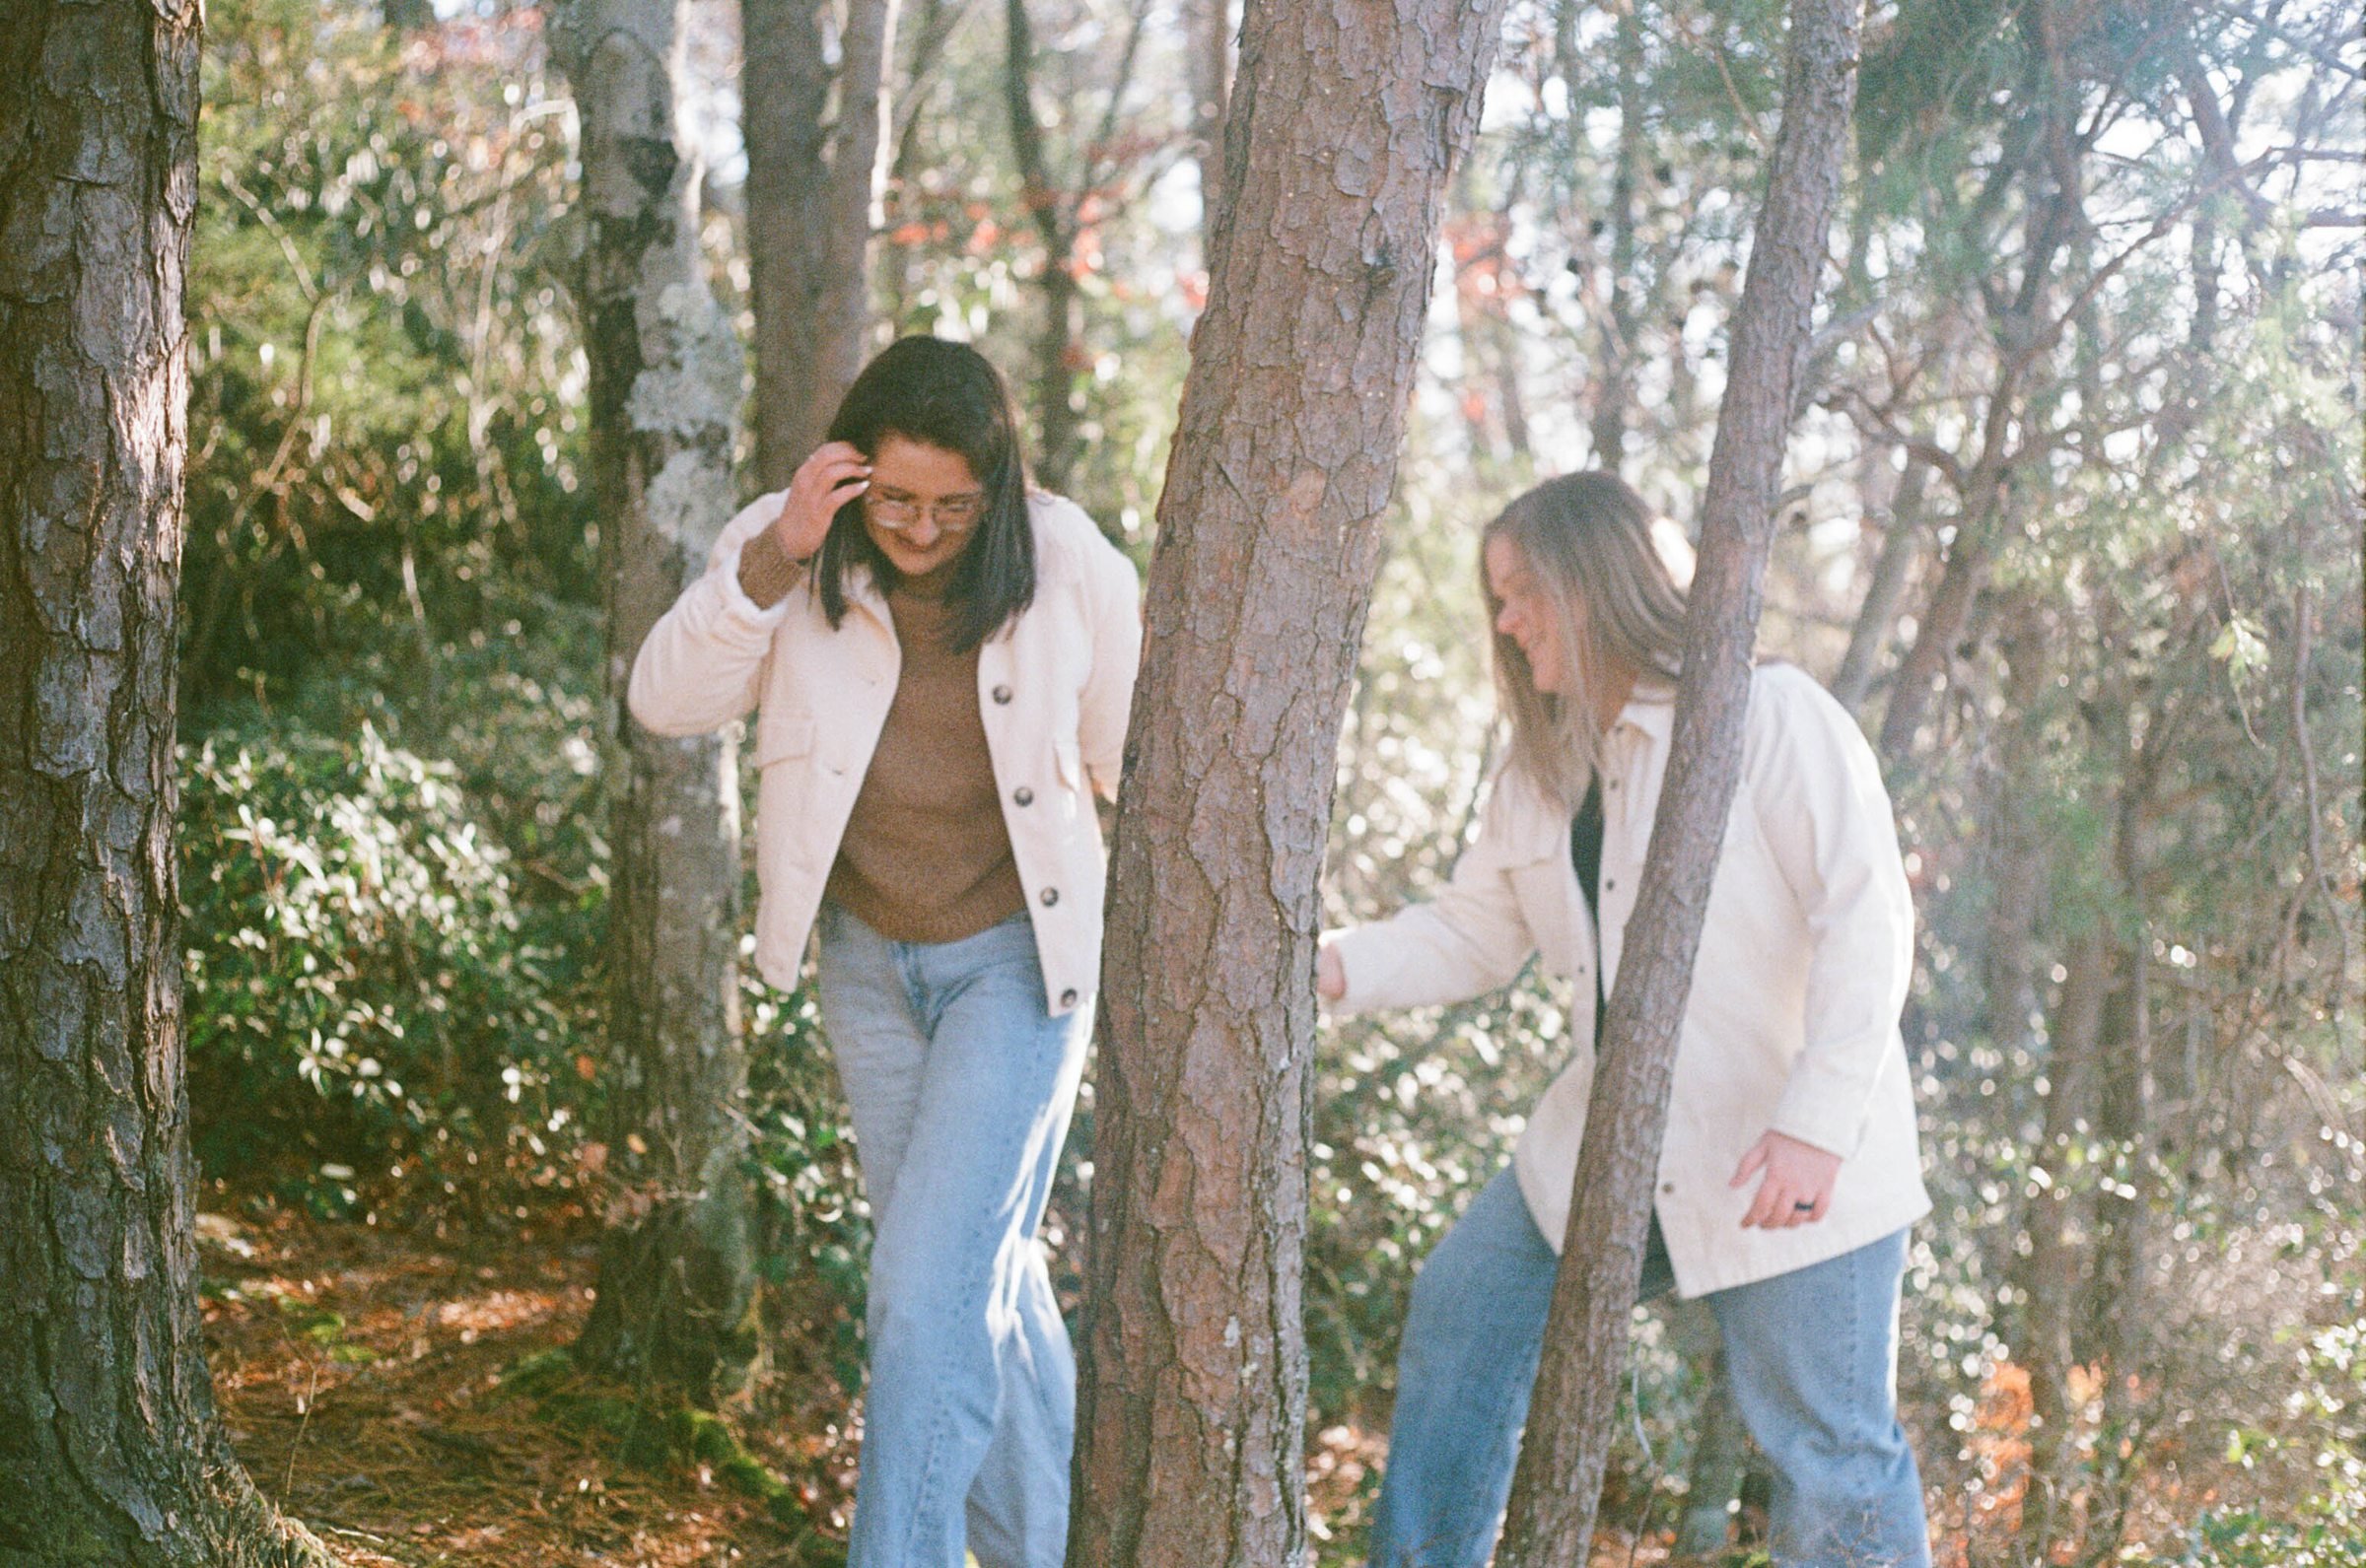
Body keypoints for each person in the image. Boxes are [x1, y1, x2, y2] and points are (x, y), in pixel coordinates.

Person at [1316, 472, 1933, 1568]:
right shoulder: (1543, 773)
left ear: (1590, 584)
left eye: (1521, 593)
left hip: (1782, 1159)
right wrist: (1325, 969)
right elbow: (1473, 933)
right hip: (1605, 1152)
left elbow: (1868, 917)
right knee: (1465, 1311)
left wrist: (1817, 1122)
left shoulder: (1768, 714)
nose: (1503, 621)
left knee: (1830, 1458)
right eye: (1496, 598)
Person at [627, 336, 1142, 1568]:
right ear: (854, 470)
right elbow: (663, 697)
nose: (919, 527)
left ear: (998, 486)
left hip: (1016, 972)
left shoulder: (1066, 558)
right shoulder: (794, 543)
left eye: (952, 505)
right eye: (897, 498)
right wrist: (777, 555)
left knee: (922, 1297)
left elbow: (1139, 764)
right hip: (868, 969)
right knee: (979, 1279)